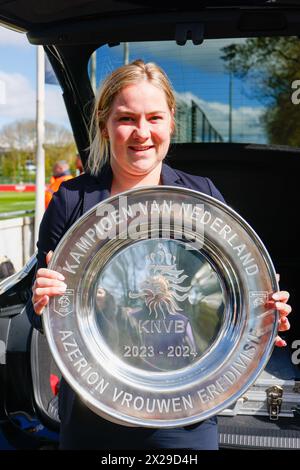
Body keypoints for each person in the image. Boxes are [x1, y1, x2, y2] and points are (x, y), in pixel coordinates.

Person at [32, 60, 292, 450]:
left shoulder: (202, 194)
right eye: (126, 118)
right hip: (93, 413)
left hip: (185, 414)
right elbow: (43, 319)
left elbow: (234, 291)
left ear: (172, 122)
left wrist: (263, 316)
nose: (141, 132)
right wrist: (42, 302)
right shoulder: (72, 201)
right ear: (105, 125)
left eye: (154, 117)